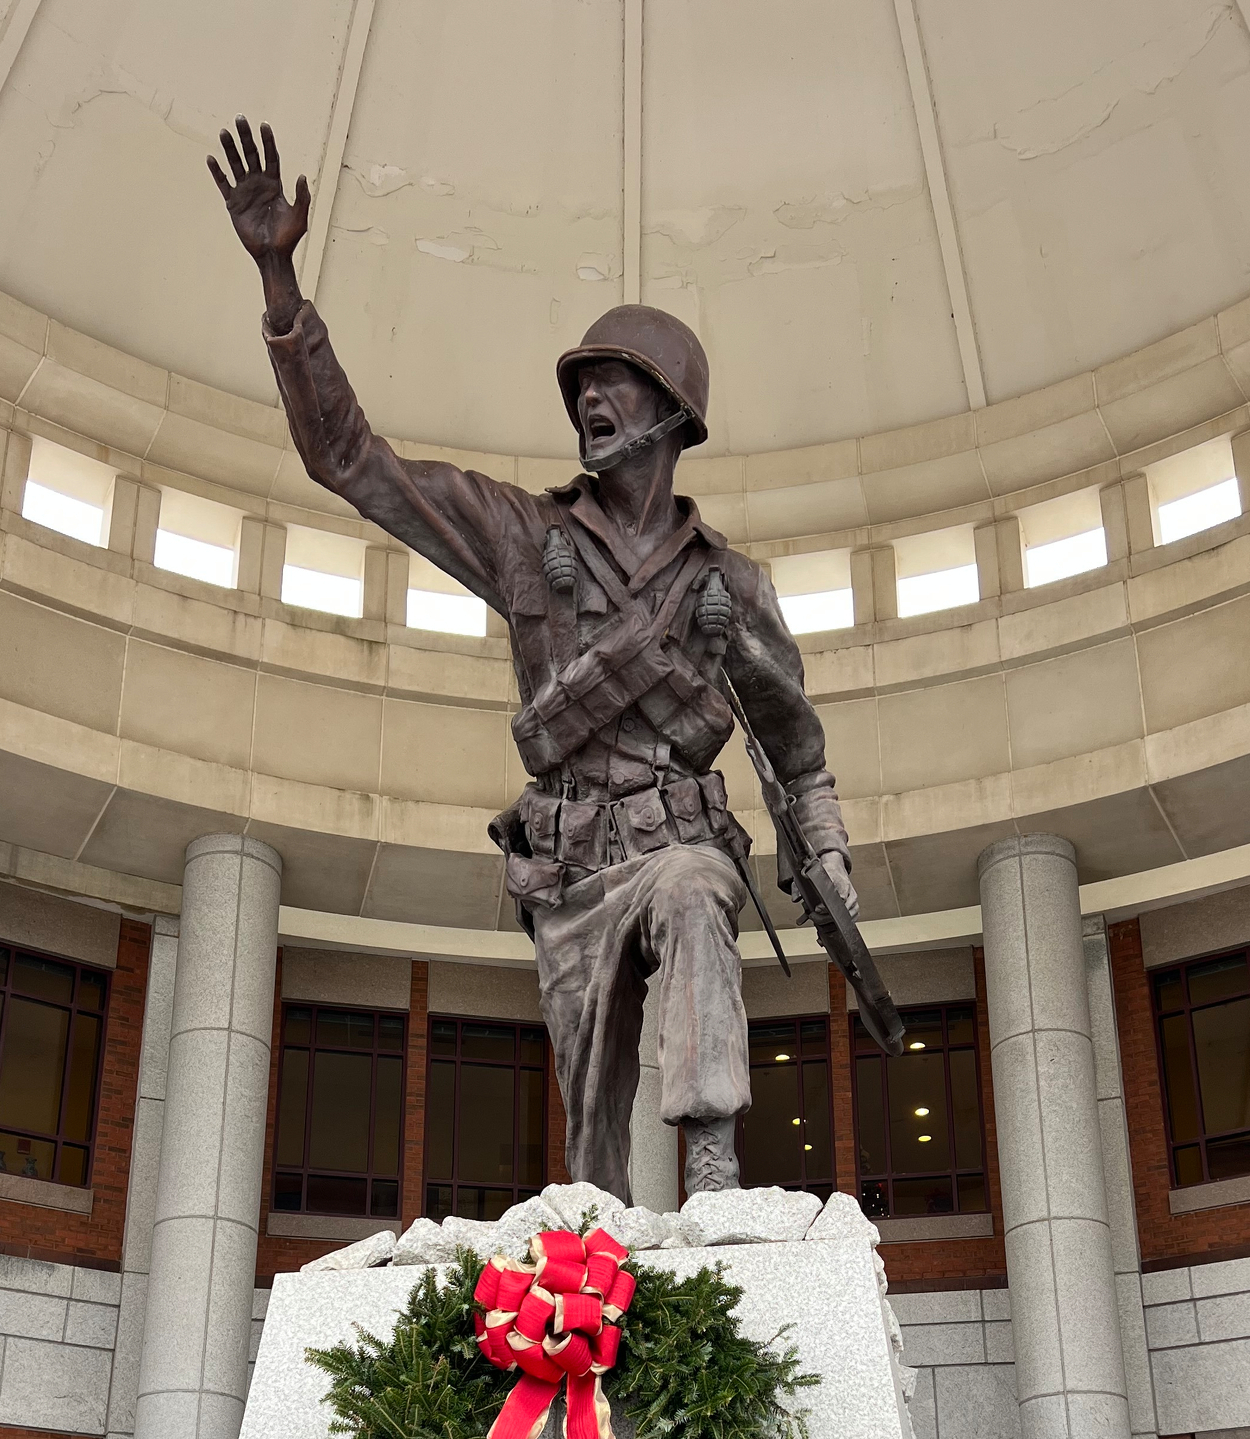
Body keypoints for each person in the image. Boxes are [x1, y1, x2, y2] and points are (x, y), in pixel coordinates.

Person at [210, 119, 859, 1200]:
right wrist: (281, 283)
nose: (592, 400)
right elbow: (349, 461)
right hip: (567, 868)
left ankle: (710, 1162)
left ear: (675, 414)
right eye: (584, 386)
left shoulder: (728, 585)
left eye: (619, 383)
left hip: (674, 840)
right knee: (591, 1154)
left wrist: (825, 852)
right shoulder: (523, 536)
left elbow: (793, 740)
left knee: (701, 887)